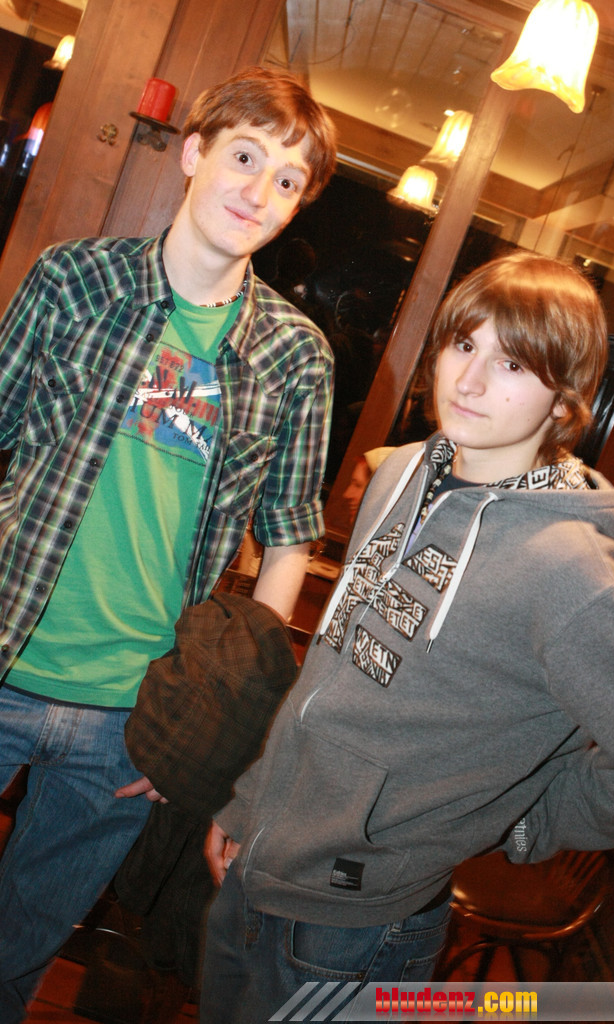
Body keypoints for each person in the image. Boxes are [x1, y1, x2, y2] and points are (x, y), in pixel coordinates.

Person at [200, 251, 614, 1023]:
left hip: (360, 925)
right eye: (463, 344)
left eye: (512, 362)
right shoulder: (400, 472)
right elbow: (331, 680)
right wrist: (249, 803)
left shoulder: (568, 569)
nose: (470, 379)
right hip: (261, 865)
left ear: (564, 398)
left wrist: (527, 820)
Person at [0, 64, 336, 1020]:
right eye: (244, 157)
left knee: (20, 951)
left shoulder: (296, 357)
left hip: (132, 718)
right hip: (7, 654)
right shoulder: (73, 279)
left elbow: (286, 544)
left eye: (285, 180)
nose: (257, 191)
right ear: (193, 154)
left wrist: (205, 726)